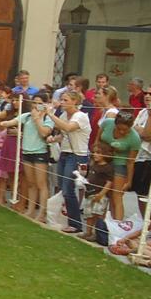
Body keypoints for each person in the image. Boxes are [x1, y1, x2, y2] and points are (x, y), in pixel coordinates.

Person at [0, 92, 55, 222]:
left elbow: (44, 133)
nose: (36, 105)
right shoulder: (27, 116)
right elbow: (12, 122)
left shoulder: (48, 118)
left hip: (40, 152)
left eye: (39, 103)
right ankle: (30, 210)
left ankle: (42, 213)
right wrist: (3, 123)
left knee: (41, 184)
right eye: (34, 102)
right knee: (31, 183)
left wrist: (37, 119)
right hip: (27, 152)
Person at [50, 90, 91, 234]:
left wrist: (50, 114)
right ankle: (66, 218)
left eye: (66, 100)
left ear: (75, 101)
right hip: (65, 153)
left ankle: (75, 223)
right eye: (61, 100)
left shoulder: (80, 116)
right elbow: (63, 133)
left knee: (68, 189)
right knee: (63, 187)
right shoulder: (63, 115)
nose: (62, 102)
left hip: (77, 155)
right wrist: (54, 139)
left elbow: (68, 127)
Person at [97, 111, 140, 218]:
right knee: (101, 192)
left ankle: (117, 223)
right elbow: (97, 141)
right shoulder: (107, 123)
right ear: (115, 124)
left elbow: (130, 161)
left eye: (125, 130)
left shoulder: (135, 138)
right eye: (119, 128)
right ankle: (100, 223)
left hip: (120, 164)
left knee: (116, 195)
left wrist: (129, 181)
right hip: (103, 161)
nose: (121, 131)